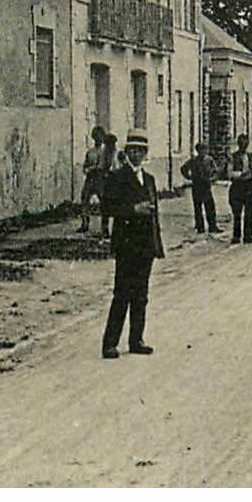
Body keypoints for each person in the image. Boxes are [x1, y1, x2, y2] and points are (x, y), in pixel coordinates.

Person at [100, 133, 163, 359]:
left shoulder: (149, 180)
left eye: (140, 150)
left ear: (145, 154)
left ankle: (136, 339)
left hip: (145, 246)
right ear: (126, 152)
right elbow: (108, 207)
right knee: (122, 293)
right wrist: (133, 210)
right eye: (132, 150)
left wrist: (156, 245)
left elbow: (154, 217)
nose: (136, 154)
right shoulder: (117, 177)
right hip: (127, 245)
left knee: (141, 295)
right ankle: (110, 343)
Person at [78, 125, 113, 235]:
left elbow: (105, 165)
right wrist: (87, 169)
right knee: (84, 198)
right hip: (90, 179)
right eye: (96, 137)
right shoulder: (90, 152)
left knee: (104, 202)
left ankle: (105, 228)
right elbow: (85, 166)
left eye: (100, 136)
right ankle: (85, 224)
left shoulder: (105, 151)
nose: (98, 139)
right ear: (93, 138)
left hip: (100, 179)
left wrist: (98, 169)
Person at [226, 133, 252, 244]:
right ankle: (236, 236)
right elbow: (229, 173)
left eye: (245, 143)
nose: (243, 145)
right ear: (238, 144)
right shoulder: (232, 157)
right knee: (237, 212)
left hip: (250, 186)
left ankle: (248, 235)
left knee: (249, 211)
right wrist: (241, 174)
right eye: (241, 143)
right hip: (237, 186)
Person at [180, 142, 220, 234]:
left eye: (205, 149)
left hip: (206, 185)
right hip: (197, 185)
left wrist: (212, 179)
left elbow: (216, 171)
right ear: (198, 151)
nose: (203, 152)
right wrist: (189, 177)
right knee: (198, 207)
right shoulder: (193, 160)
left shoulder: (209, 160)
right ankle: (200, 227)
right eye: (201, 150)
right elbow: (183, 168)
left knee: (210, 207)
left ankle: (212, 226)